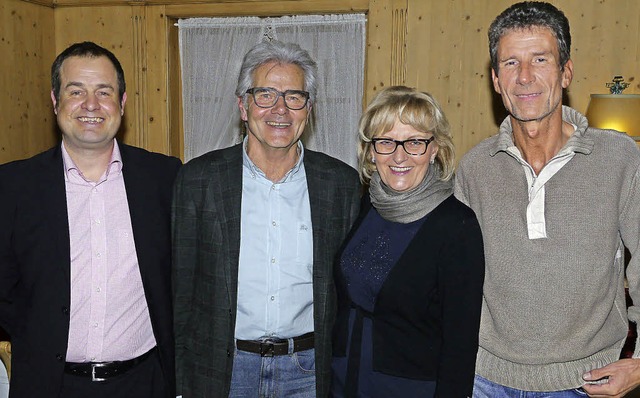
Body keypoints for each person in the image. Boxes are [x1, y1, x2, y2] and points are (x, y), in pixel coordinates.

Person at [454, 2, 640, 397]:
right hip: (484, 379)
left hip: (587, 383)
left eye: (540, 59)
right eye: (510, 63)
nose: (524, 77)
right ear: (495, 80)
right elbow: (455, 279)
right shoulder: (474, 169)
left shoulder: (621, 158)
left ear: (566, 71)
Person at [172, 40, 361, 397]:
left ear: (309, 109)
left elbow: (348, 295)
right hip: (223, 371)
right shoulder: (199, 180)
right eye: (265, 95)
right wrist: (181, 385)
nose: (280, 110)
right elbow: (182, 294)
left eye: (294, 97)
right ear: (243, 106)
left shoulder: (341, 184)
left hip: (308, 371)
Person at [0, 41, 181, 397]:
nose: (91, 105)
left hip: (145, 383)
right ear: (55, 101)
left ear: (122, 103)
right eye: (76, 91)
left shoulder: (165, 179)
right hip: (49, 385)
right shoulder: (12, 186)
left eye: (104, 91)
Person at [331, 86, 485, 397]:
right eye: (387, 142)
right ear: (372, 151)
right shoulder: (364, 206)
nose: (399, 156)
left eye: (414, 142)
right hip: (344, 380)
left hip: (410, 388)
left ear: (434, 150)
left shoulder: (457, 225)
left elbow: (461, 342)